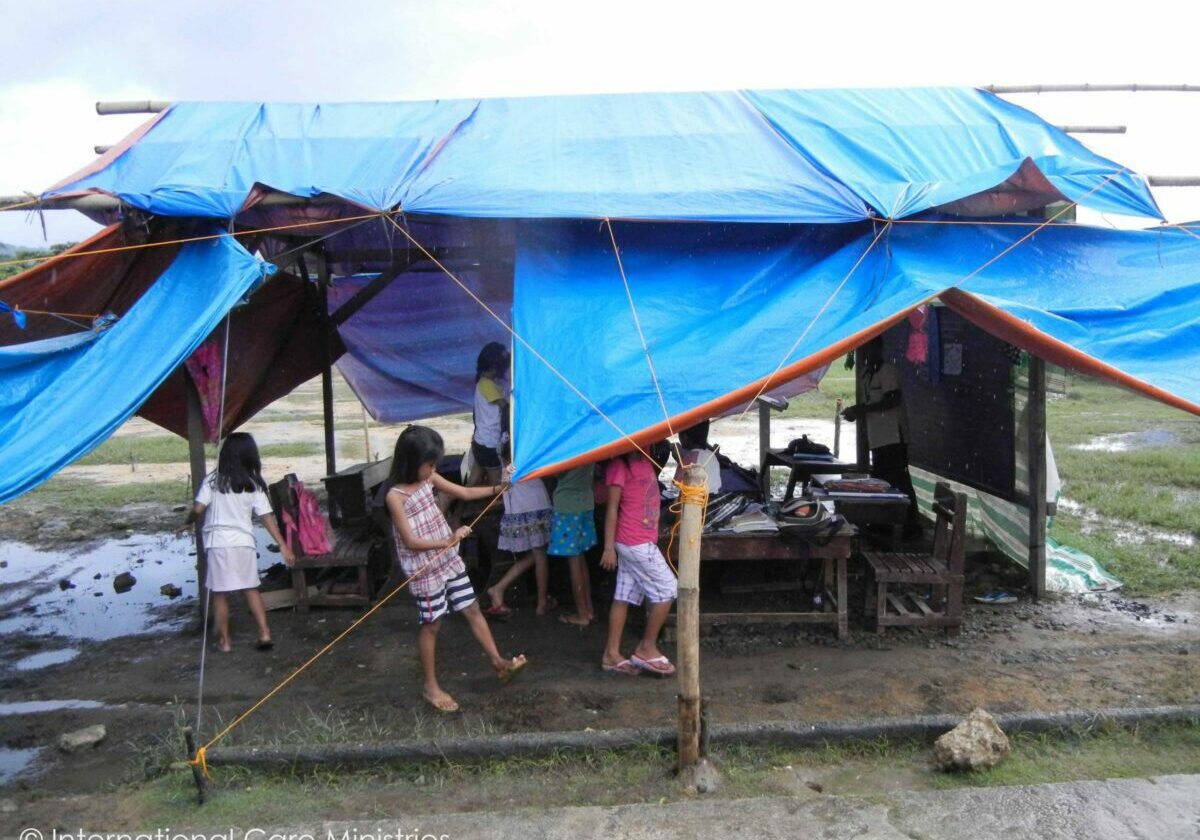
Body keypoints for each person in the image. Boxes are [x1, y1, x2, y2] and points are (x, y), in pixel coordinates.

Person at [385, 425, 527, 713]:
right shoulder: (395, 496)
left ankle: (499, 662)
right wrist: (447, 540)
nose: (434, 468)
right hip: (425, 570)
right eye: (430, 463)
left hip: (447, 560)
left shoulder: (428, 479)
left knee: (472, 608)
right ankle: (430, 686)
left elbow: (463, 491)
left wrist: (500, 487)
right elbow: (411, 542)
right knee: (432, 625)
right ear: (412, 462)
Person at [185, 432, 294, 654]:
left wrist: (187, 522)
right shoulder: (253, 484)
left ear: (226, 454)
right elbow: (267, 517)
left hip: (218, 544)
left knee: (220, 593)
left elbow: (197, 510)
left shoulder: (212, 481)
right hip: (244, 543)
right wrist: (282, 544)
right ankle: (264, 633)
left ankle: (225, 642)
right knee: (251, 589)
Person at [600, 447, 677, 677]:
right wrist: (608, 547)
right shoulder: (619, 466)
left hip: (636, 541)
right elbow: (612, 509)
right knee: (668, 589)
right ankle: (646, 647)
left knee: (623, 596)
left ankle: (611, 654)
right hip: (634, 543)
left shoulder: (645, 459)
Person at [841, 337, 921, 537]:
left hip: (894, 436)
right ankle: (882, 525)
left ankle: (912, 527)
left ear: (878, 349)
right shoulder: (866, 375)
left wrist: (861, 410)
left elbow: (892, 400)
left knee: (899, 482)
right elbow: (870, 405)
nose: (866, 355)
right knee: (880, 481)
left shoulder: (888, 372)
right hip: (878, 437)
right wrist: (857, 412)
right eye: (863, 351)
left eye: (869, 350)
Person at [485, 444, 555, 617]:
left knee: (535, 554)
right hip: (532, 505)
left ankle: (498, 588)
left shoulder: (505, 454)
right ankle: (541, 603)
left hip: (518, 506)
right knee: (540, 554)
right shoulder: (526, 453)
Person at [547, 464, 598, 626]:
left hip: (568, 505)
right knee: (581, 558)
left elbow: (557, 471)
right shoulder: (588, 443)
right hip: (586, 501)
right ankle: (588, 609)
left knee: (574, 561)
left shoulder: (567, 447)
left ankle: (581, 615)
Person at [470, 342, 510, 486]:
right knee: (498, 489)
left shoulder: (481, 381)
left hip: (480, 442)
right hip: (489, 445)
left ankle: (450, 501)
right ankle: (445, 497)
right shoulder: (488, 384)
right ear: (494, 368)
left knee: (472, 483)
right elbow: (506, 408)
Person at [672, 420, 722, 494]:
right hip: (715, 496)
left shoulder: (689, 457)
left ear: (685, 437)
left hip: (698, 501)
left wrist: (679, 460)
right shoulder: (711, 455)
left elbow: (676, 482)